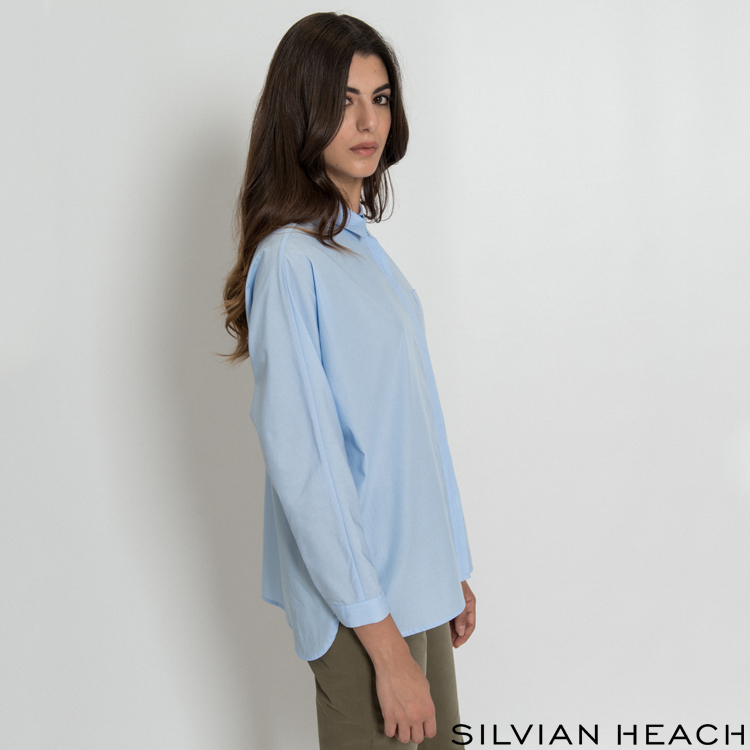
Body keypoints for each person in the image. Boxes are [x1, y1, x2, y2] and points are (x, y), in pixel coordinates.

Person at [221, 12, 476, 749]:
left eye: (380, 98)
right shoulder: (289, 260)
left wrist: (451, 564)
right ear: (301, 110)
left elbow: (414, 425)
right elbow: (307, 466)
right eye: (343, 100)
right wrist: (385, 647)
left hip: (417, 588)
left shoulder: (361, 252)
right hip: (365, 611)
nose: (368, 122)